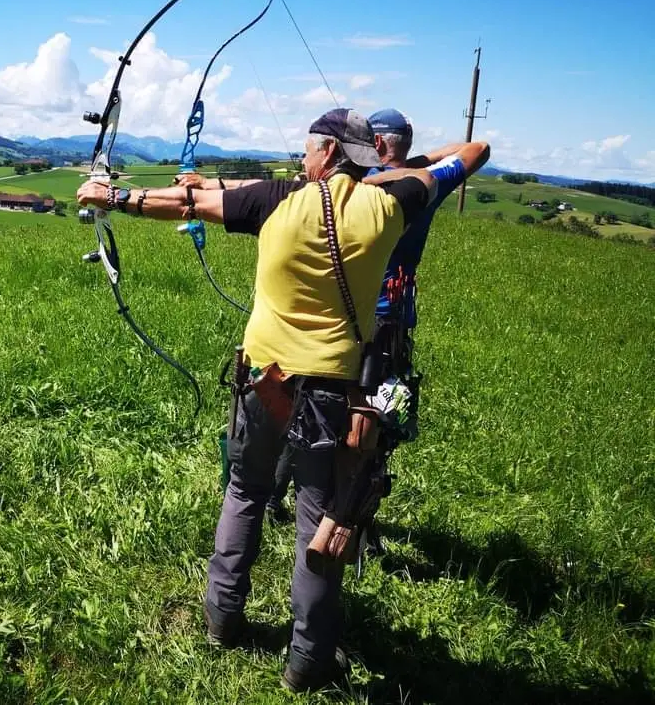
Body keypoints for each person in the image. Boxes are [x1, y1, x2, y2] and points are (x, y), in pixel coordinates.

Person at [79, 108, 489, 692]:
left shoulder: (276, 200)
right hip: (332, 396)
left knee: (246, 491)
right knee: (317, 521)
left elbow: (184, 203)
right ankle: (308, 661)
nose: (301, 159)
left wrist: (111, 195)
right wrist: (386, 170)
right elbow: (460, 159)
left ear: (326, 152)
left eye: (307, 149)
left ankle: (222, 617)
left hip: (263, 382)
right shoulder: (393, 204)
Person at [177, 111, 485, 525]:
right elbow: (475, 150)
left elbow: (271, 192)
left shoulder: (359, 183)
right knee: (360, 418)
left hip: (345, 321)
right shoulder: (421, 186)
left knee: (304, 402)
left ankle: (303, 499)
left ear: (372, 145)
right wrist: (416, 163)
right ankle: (338, 511)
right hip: (380, 326)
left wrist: (391, 168)